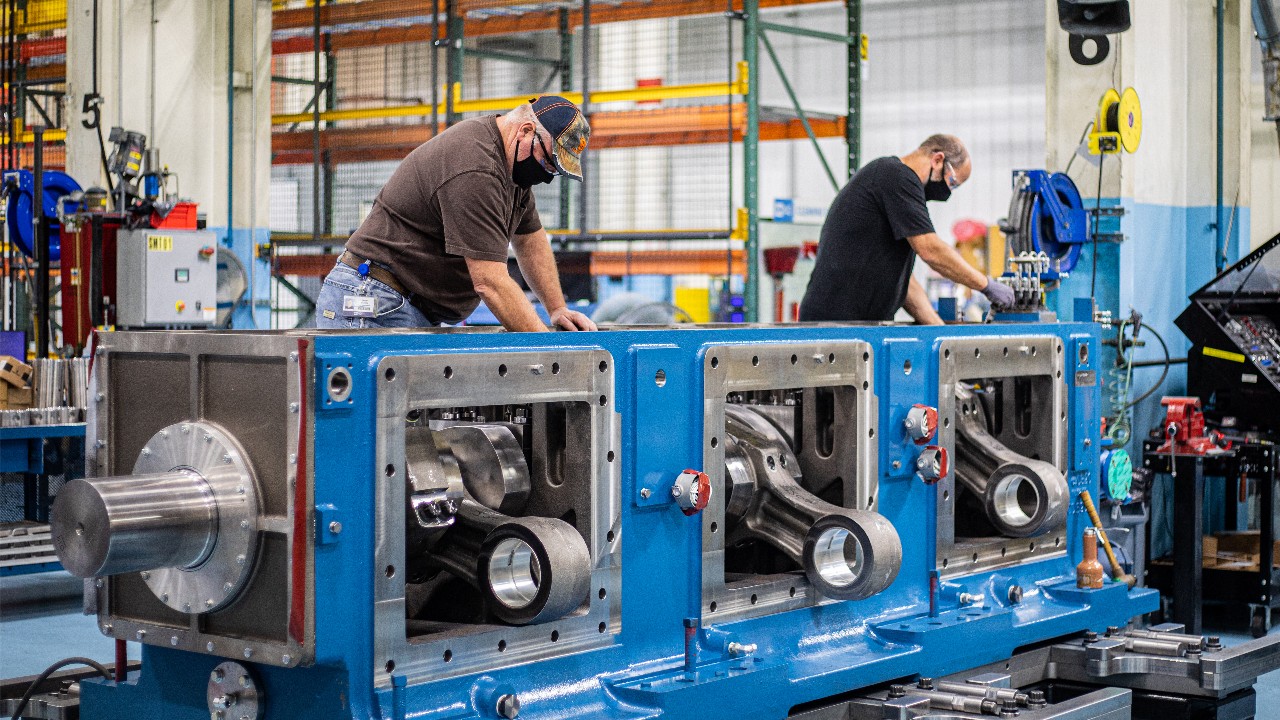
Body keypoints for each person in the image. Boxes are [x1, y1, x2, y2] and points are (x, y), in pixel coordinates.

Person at [315, 96, 598, 332]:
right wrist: (553, 353)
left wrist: (557, 308)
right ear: (525, 131)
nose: (547, 175)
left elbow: (530, 241)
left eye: (555, 172)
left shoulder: (513, 171)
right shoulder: (477, 168)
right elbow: (490, 282)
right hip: (372, 299)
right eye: (548, 163)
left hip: (407, 303)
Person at [798, 134, 1016, 325]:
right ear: (938, 159)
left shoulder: (897, 187)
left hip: (859, 327)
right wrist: (986, 285)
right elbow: (931, 250)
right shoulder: (896, 176)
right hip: (833, 325)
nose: (949, 191)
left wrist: (939, 332)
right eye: (953, 182)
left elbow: (904, 284)